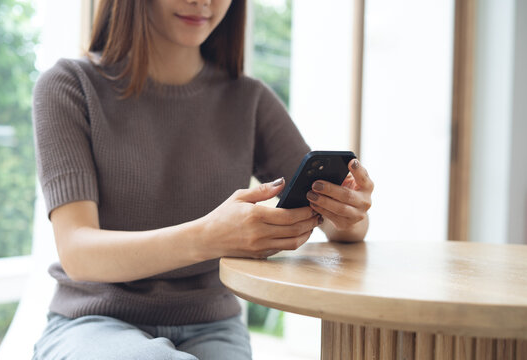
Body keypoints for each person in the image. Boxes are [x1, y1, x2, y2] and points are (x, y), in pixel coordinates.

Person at [31, 0, 374, 359]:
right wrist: (210, 237)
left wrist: (349, 212)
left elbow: (343, 228)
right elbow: (78, 252)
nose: (203, 2)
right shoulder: (70, 86)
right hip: (91, 322)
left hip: (214, 327)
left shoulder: (249, 100)